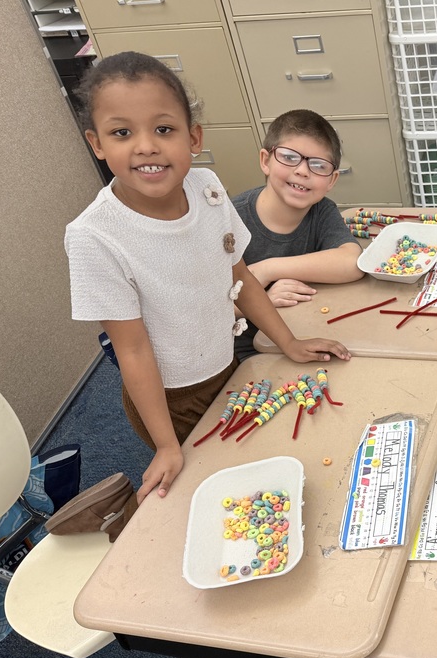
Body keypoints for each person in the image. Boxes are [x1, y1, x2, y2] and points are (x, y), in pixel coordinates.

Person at [65, 51, 351, 504]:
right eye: (122, 132)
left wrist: (289, 344)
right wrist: (164, 444)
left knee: (256, 471)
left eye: (164, 129)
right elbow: (132, 349)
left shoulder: (208, 190)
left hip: (229, 369)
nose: (146, 146)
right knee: (208, 494)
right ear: (97, 143)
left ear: (193, 137)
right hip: (170, 400)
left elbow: (240, 278)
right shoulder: (93, 237)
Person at [232, 109, 363, 360]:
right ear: (265, 161)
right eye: (289, 157)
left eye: (318, 165)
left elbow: (351, 261)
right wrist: (262, 300)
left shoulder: (321, 211)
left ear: (332, 180)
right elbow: (202, 311)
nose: (303, 171)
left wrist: (267, 270)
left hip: (305, 332)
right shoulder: (230, 221)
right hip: (246, 354)